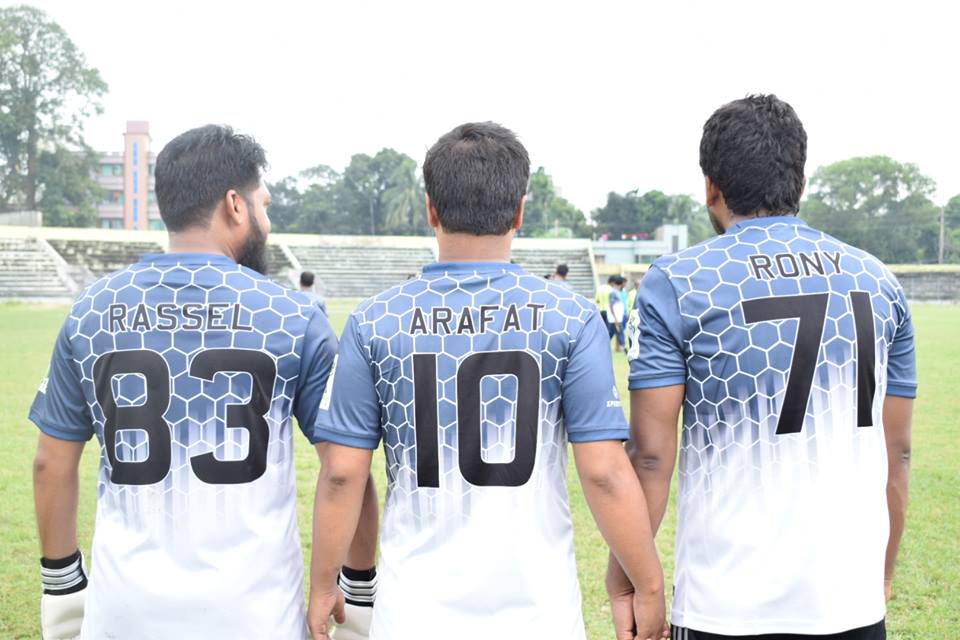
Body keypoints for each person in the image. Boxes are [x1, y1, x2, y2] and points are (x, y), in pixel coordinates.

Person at [306, 122, 667, 640]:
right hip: (538, 614)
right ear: (519, 211)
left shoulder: (374, 320)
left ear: (430, 209)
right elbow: (605, 472)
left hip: (414, 613)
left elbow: (342, 473)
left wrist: (323, 585)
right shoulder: (571, 316)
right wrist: (647, 587)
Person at [30, 125, 379, 640]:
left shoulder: (91, 310)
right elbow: (345, 468)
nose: (266, 219)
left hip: (124, 611)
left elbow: (51, 462)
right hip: (255, 614)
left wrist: (62, 588)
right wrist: (353, 585)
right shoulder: (294, 316)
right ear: (235, 205)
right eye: (263, 204)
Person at [626, 95, 916, 640]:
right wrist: (882, 572)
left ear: (711, 187)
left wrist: (632, 584)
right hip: (848, 600)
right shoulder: (879, 281)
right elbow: (896, 452)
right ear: (799, 181)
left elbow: (650, 457)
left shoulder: (678, 280)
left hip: (725, 602)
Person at [608, 276, 626, 352]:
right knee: (619, 333)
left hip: (617, 318)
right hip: (615, 319)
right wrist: (615, 318)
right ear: (621, 284)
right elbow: (611, 306)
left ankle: (623, 347)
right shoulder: (613, 293)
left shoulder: (618, 292)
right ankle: (624, 348)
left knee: (611, 334)